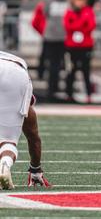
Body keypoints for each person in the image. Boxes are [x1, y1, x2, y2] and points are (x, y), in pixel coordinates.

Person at [0, 51, 51, 189]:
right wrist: (35, 169)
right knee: (8, 140)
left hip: (14, 71)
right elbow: (33, 137)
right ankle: (4, 163)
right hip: (15, 73)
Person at [32, 0, 70, 101]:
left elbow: (45, 12)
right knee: (60, 64)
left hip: (50, 34)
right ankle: (55, 88)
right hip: (64, 35)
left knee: (50, 63)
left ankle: (50, 88)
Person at [63, 0, 96, 104]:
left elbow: (91, 26)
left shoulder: (89, 11)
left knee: (86, 71)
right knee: (71, 71)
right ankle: (69, 94)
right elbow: (67, 26)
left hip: (85, 46)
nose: (80, 2)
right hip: (72, 46)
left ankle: (88, 95)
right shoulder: (69, 12)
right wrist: (81, 24)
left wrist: (77, 25)